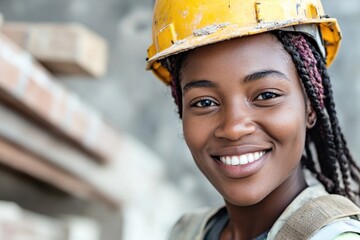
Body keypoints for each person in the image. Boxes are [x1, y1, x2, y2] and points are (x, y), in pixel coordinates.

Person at [146, 0, 360, 239]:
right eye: (205, 102)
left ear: (310, 105)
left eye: (266, 95)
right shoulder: (186, 232)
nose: (234, 128)